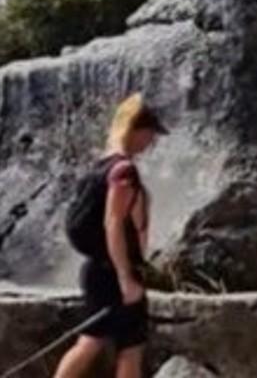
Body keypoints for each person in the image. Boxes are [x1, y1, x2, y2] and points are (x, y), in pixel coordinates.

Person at [54, 93, 168, 378]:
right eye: (150, 134)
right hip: (115, 272)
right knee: (121, 348)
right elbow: (113, 224)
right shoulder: (124, 171)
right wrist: (126, 279)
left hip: (97, 269)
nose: (150, 142)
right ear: (137, 130)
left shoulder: (101, 166)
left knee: (97, 342)